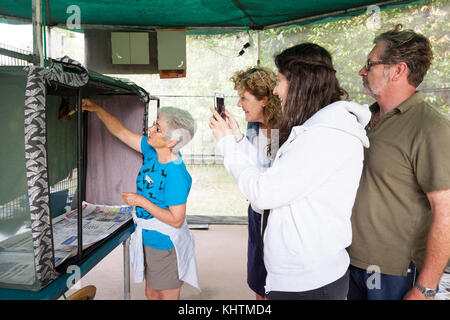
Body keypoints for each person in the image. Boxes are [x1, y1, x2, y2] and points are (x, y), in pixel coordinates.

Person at [209, 43, 371, 300]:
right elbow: (272, 173)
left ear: (301, 83)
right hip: (301, 276)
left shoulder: (324, 136)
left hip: (308, 283)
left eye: (280, 80)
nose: (275, 90)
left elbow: (263, 192)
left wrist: (227, 144)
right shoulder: (315, 129)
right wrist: (238, 139)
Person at [347, 25, 450, 300]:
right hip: (345, 259)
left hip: (392, 273)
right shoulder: (361, 119)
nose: (362, 71)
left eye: (370, 65)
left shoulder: (430, 128)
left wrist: (426, 288)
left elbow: (446, 213)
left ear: (398, 70)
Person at [81, 99, 199, 300]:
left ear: (171, 141)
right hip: (147, 237)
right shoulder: (153, 152)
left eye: (158, 128)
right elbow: (121, 132)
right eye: (154, 123)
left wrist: (140, 201)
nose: (150, 129)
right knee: (151, 293)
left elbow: (176, 219)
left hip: (165, 244)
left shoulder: (175, 174)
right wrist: (98, 109)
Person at [227, 67, 282, 300]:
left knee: (277, 283)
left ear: (265, 99)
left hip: (279, 217)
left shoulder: (288, 129)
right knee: (259, 282)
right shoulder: (253, 127)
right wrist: (237, 136)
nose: (239, 105)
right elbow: (251, 165)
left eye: (244, 98)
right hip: (257, 213)